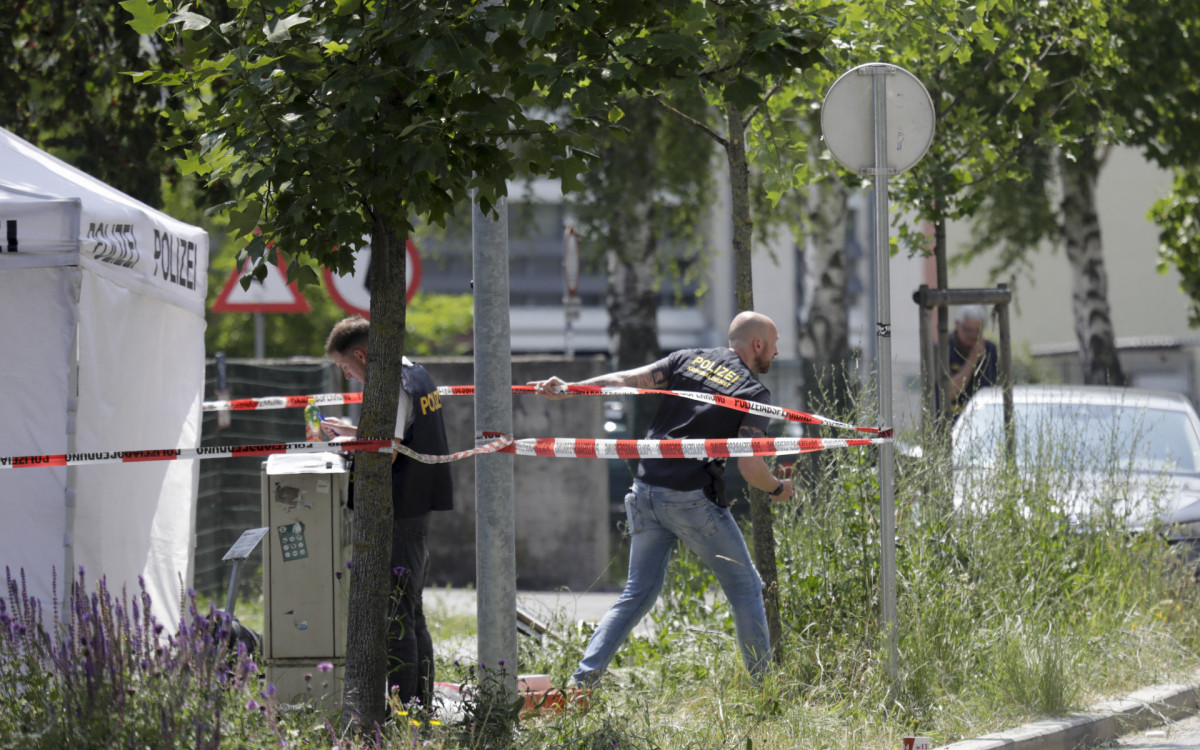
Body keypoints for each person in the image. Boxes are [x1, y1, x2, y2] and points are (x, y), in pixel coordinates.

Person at [529, 310, 794, 687]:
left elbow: (624, 381)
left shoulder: (687, 359)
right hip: (691, 500)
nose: (777, 352)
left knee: (636, 595)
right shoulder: (753, 392)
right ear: (757, 345)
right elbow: (750, 466)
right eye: (775, 344)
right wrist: (778, 489)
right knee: (747, 589)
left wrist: (572, 387)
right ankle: (764, 691)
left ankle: (580, 685)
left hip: (645, 490)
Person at [322, 316, 453, 709]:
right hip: (415, 505)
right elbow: (398, 435)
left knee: (398, 617)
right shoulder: (415, 372)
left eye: (346, 367)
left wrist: (353, 448)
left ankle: (407, 712)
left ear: (361, 354)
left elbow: (388, 450)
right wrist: (353, 434)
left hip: (401, 508)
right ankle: (420, 707)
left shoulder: (391, 385)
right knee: (410, 611)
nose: (348, 376)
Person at [947, 305, 998, 416]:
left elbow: (992, 392)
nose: (972, 336)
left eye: (977, 331)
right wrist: (972, 359)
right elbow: (948, 393)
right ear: (957, 324)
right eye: (968, 330)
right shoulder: (944, 348)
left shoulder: (989, 350)